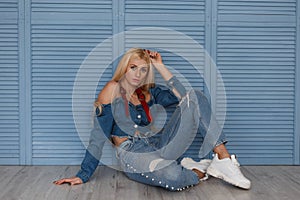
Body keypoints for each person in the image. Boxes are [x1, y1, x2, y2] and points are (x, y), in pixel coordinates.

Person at [53, 48, 251, 191]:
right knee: (173, 177)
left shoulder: (148, 93)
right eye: (133, 67)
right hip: (131, 151)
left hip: (159, 144)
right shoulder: (112, 89)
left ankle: (223, 159)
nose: (138, 74)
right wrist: (83, 175)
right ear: (125, 68)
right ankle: (200, 169)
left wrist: (160, 66)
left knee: (196, 96)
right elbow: (98, 135)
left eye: (144, 70)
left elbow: (186, 99)